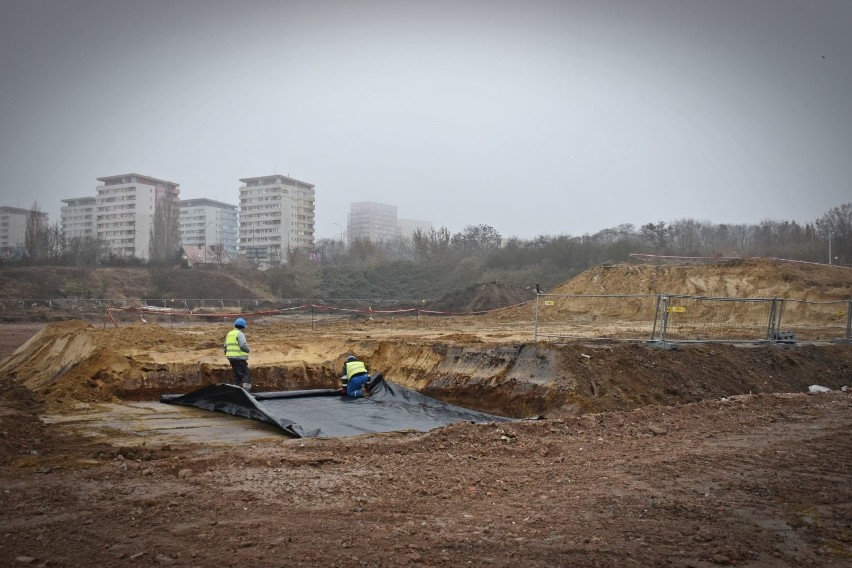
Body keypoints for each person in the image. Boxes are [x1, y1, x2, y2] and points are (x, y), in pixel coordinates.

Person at [224, 317, 251, 391]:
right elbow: (242, 345)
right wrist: (247, 350)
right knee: (246, 374)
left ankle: (233, 391)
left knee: (237, 376)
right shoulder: (240, 334)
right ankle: (247, 393)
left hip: (231, 358)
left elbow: (225, 347)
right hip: (239, 358)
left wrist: (228, 355)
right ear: (243, 327)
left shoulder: (229, 334)